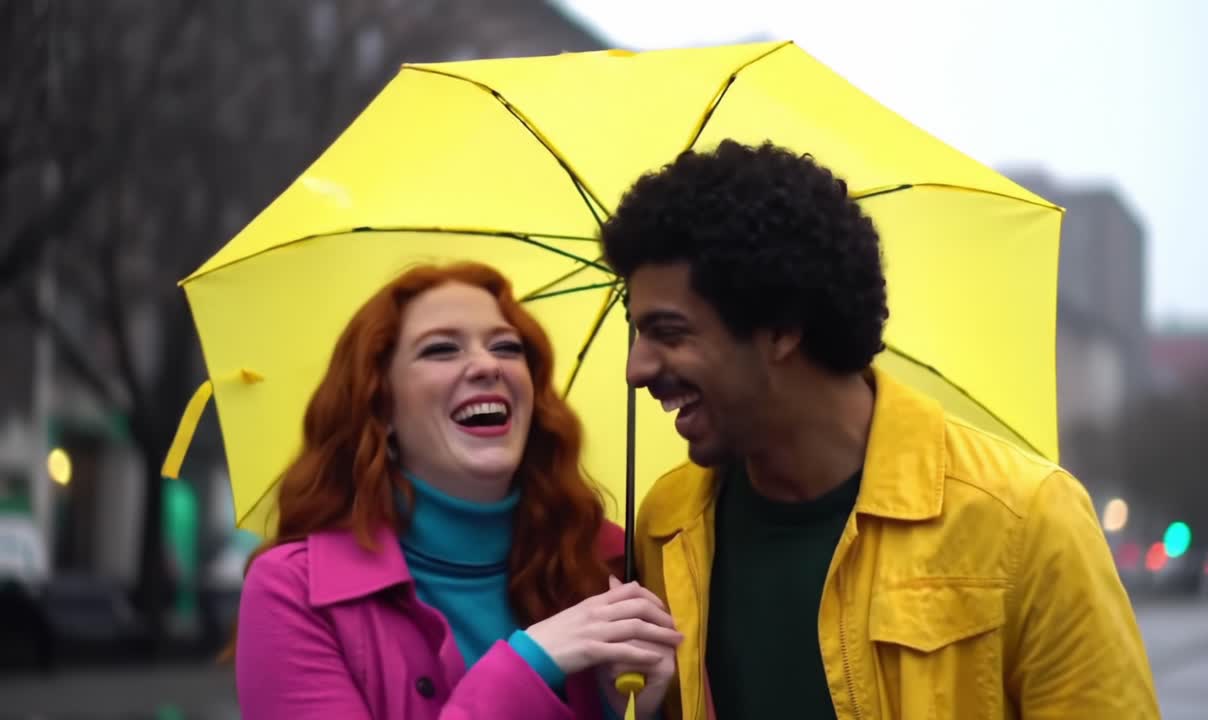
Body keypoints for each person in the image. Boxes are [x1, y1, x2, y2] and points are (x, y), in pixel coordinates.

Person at [600, 140, 1159, 719]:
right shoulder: (666, 523)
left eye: (669, 332)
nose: (636, 370)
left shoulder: (1027, 520)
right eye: (638, 334)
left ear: (782, 328)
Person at [234, 262, 680, 719]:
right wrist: (530, 664)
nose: (488, 365)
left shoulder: (610, 565)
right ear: (380, 405)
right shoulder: (294, 590)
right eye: (442, 350)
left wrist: (623, 712)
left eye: (507, 347)